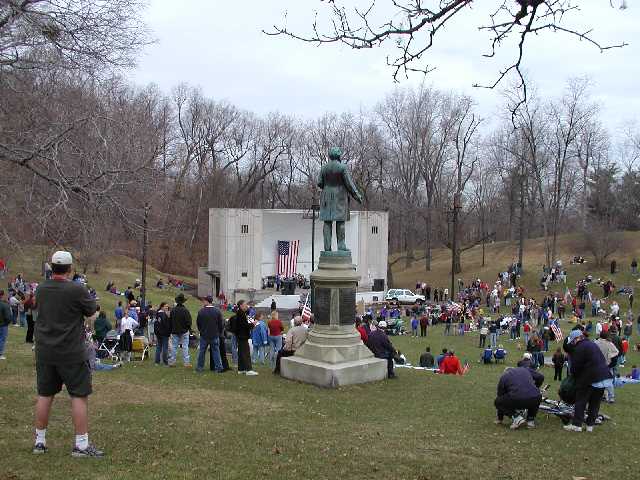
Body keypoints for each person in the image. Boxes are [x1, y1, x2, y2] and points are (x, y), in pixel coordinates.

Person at [32, 251, 102, 457]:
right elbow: (91, 310)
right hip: (71, 352)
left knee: (45, 395)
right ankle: (81, 445)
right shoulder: (76, 289)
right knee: (79, 396)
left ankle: (40, 442)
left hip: (45, 350)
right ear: (70, 269)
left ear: (51, 268)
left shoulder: (41, 288)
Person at [563, 329, 612, 432]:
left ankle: (577, 425)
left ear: (577, 339)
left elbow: (576, 366)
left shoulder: (579, 348)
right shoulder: (592, 344)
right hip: (603, 377)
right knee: (595, 403)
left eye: (572, 341)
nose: (572, 343)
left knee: (581, 401)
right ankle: (590, 426)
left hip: (590, 378)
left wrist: (574, 377)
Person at [494, 361, 544, 429]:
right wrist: (536, 387)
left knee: (497, 401)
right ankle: (530, 421)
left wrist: (500, 419)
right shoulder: (524, 369)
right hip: (537, 397)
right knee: (533, 396)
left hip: (518, 398)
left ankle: (517, 418)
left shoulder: (504, 377)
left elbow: (500, 398)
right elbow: (540, 377)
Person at [195, 295, 224, 373]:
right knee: (216, 352)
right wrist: (219, 332)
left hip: (204, 335)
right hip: (214, 334)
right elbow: (220, 324)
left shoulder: (201, 311)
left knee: (202, 352)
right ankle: (218, 367)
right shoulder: (217, 311)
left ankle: (200, 367)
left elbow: (198, 323)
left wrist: (201, 330)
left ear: (207, 301)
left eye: (204, 301)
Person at [232, 300, 257, 375]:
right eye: (245, 305)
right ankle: (248, 369)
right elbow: (244, 326)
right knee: (245, 352)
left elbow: (248, 312)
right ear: (241, 306)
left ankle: (241, 368)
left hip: (240, 335)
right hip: (243, 335)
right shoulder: (241, 314)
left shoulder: (241, 313)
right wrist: (253, 324)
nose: (247, 306)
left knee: (241, 352)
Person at [168, 293, 192, 368]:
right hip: (184, 331)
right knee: (185, 347)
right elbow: (189, 321)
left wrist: (171, 329)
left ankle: (172, 362)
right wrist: (188, 328)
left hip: (175, 331)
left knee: (174, 347)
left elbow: (170, 321)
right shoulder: (185, 310)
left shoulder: (173, 310)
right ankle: (186, 363)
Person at [0, 290, 11, 360]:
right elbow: (8, 317)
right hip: (2, 325)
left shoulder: (4, 304)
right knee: (2, 339)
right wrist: (6, 323)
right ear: (2, 295)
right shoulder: (5, 305)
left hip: (3, 324)